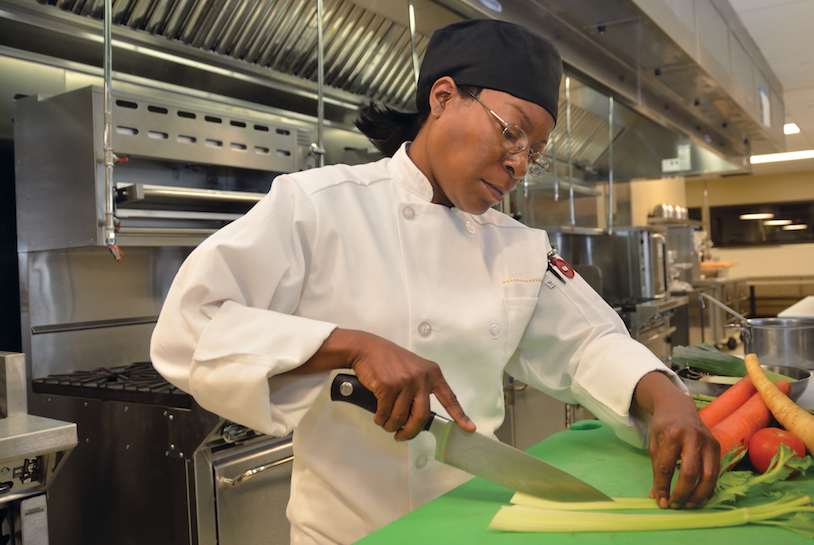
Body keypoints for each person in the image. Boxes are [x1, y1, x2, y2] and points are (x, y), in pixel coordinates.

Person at [151, 19, 718, 545]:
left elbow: (590, 340)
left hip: (475, 522)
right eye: (512, 134)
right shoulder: (316, 205)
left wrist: (666, 397)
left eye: (535, 153)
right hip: (348, 533)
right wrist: (352, 345)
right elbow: (191, 326)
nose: (519, 164)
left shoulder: (517, 244)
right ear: (442, 98)